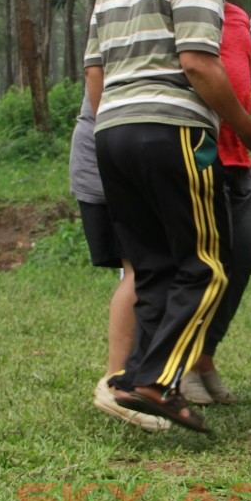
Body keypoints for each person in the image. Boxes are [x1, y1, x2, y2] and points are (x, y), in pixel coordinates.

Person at [84, 0, 251, 433]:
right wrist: (249, 129)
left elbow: (94, 73)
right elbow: (198, 63)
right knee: (210, 264)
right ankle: (158, 379)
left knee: (152, 267)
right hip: (172, 132)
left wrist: (113, 126)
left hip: (112, 132)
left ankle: (132, 377)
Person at [178, 0, 251, 406]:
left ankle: (206, 352)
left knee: (243, 258)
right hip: (199, 155)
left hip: (238, 158)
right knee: (203, 263)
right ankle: (188, 363)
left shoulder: (239, 18)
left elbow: (246, 90)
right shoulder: (189, 11)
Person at [69, 92, 169, 433]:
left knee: (146, 270)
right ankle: (116, 384)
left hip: (117, 160)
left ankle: (136, 380)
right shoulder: (121, 41)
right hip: (112, 165)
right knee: (142, 271)